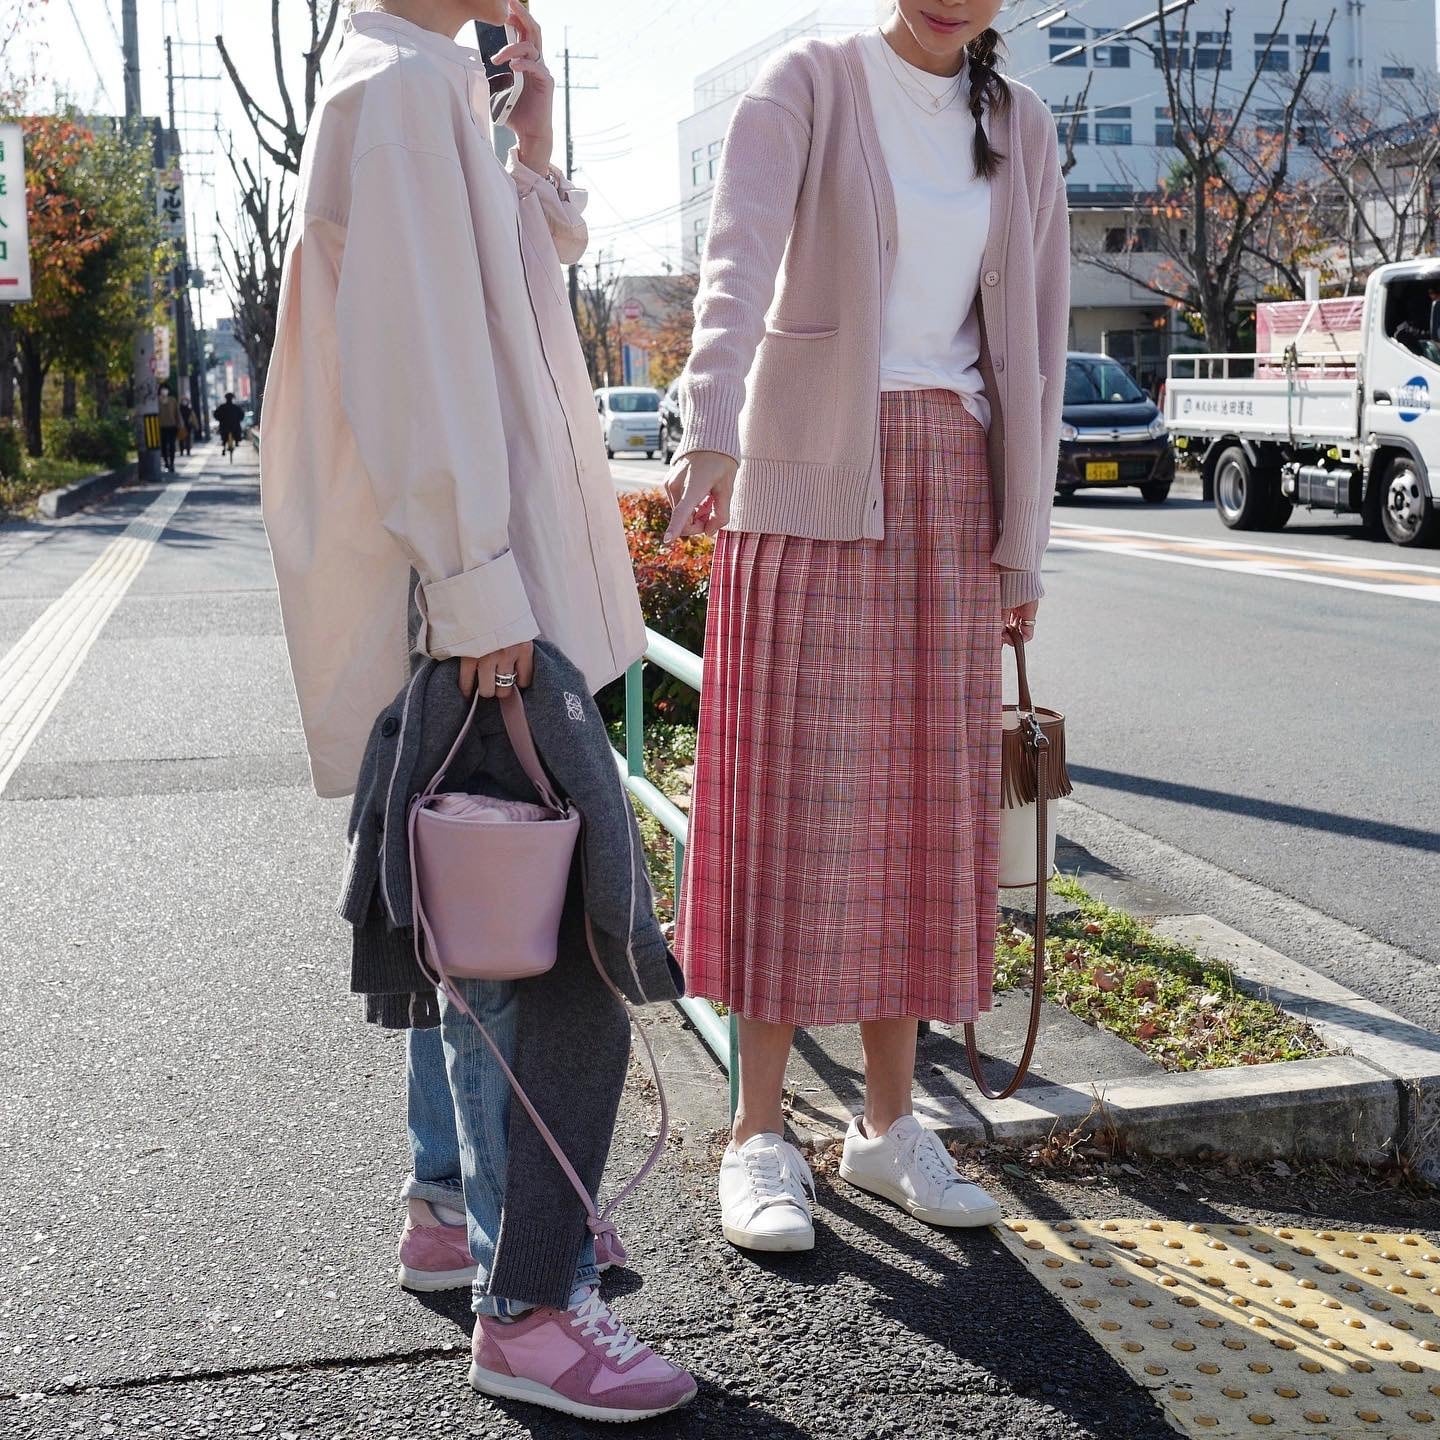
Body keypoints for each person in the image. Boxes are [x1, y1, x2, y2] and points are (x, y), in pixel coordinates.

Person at [259, 0, 696, 1422]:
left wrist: (533, 138)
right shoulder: (392, 92)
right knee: (526, 944)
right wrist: (477, 585)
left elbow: (498, 299)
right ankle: (527, 1307)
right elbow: (415, 365)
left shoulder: (418, 80)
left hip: (481, 585)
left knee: (474, 912)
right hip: (477, 598)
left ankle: (454, 1209)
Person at [666, 0, 1069, 1251]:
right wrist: (711, 424)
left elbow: (1041, 342)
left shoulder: (1022, 125)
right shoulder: (809, 82)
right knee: (792, 801)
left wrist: (1023, 532)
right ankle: (758, 1135)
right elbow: (734, 266)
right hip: (804, 476)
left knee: (917, 809)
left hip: (951, 483)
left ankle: (888, 1129)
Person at [156, 383, 181, 473]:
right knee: (163, 446)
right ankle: (166, 462)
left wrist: (179, 424)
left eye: (166, 389)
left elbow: (177, 413)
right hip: (161, 426)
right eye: (163, 389)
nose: (164, 391)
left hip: (172, 426)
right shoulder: (156, 400)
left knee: (172, 445)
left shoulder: (172, 400)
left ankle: (172, 463)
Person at [214, 392, 244, 459]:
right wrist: (238, 420)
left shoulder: (222, 407)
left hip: (224, 426)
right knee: (237, 432)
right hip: (234, 427)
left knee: (223, 436)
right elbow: (242, 415)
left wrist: (220, 419)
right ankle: (236, 441)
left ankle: (224, 446)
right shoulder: (236, 407)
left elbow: (216, 414)